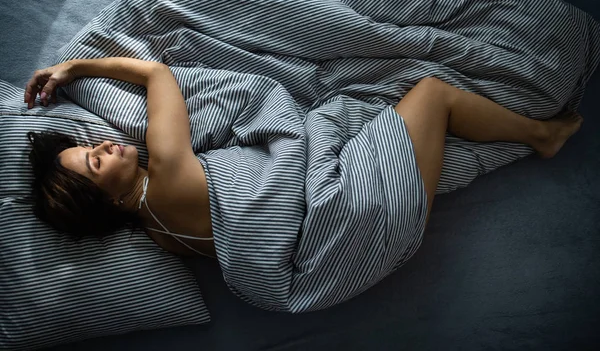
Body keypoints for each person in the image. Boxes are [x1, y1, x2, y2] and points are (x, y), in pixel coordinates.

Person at [25, 57, 583, 259]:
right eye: (96, 161)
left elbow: (247, 223)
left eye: (92, 143)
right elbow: (159, 75)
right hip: (349, 218)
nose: (104, 144)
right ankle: (541, 134)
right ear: (111, 197)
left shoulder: (155, 231)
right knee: (431, 92)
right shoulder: (166, 174)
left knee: (381, 115)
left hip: (329, 258)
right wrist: (77, 69)